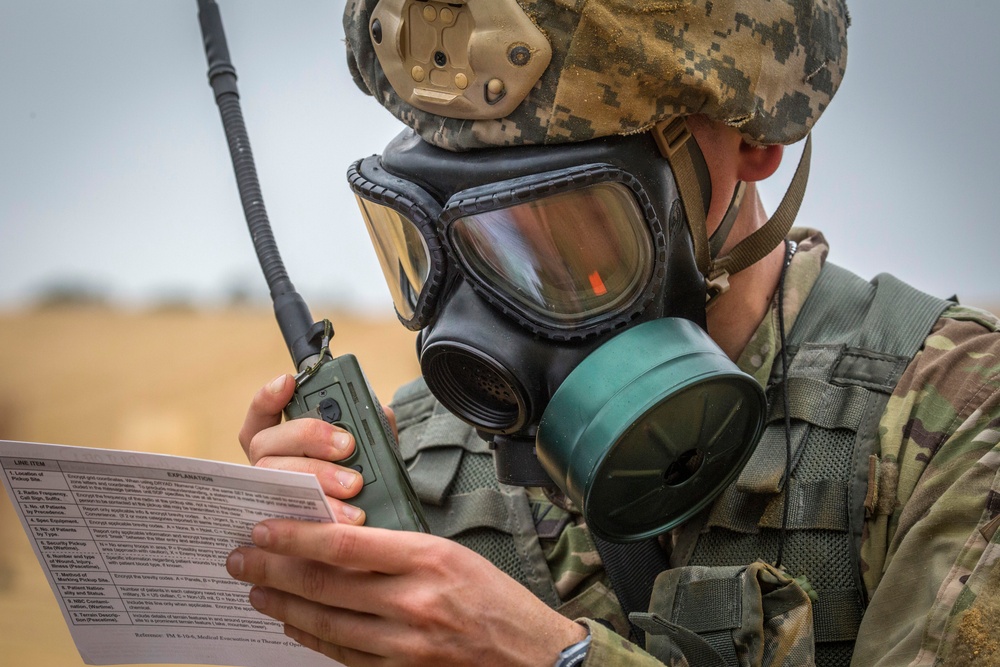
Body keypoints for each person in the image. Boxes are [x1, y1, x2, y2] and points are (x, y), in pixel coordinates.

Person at [226, 1, 1000, 665]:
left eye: (563, 218)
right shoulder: (415, 458)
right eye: (446, 231)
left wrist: (550, 655)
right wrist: (312, 575)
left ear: (755, 138)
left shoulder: (955, 415)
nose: (485, 314)